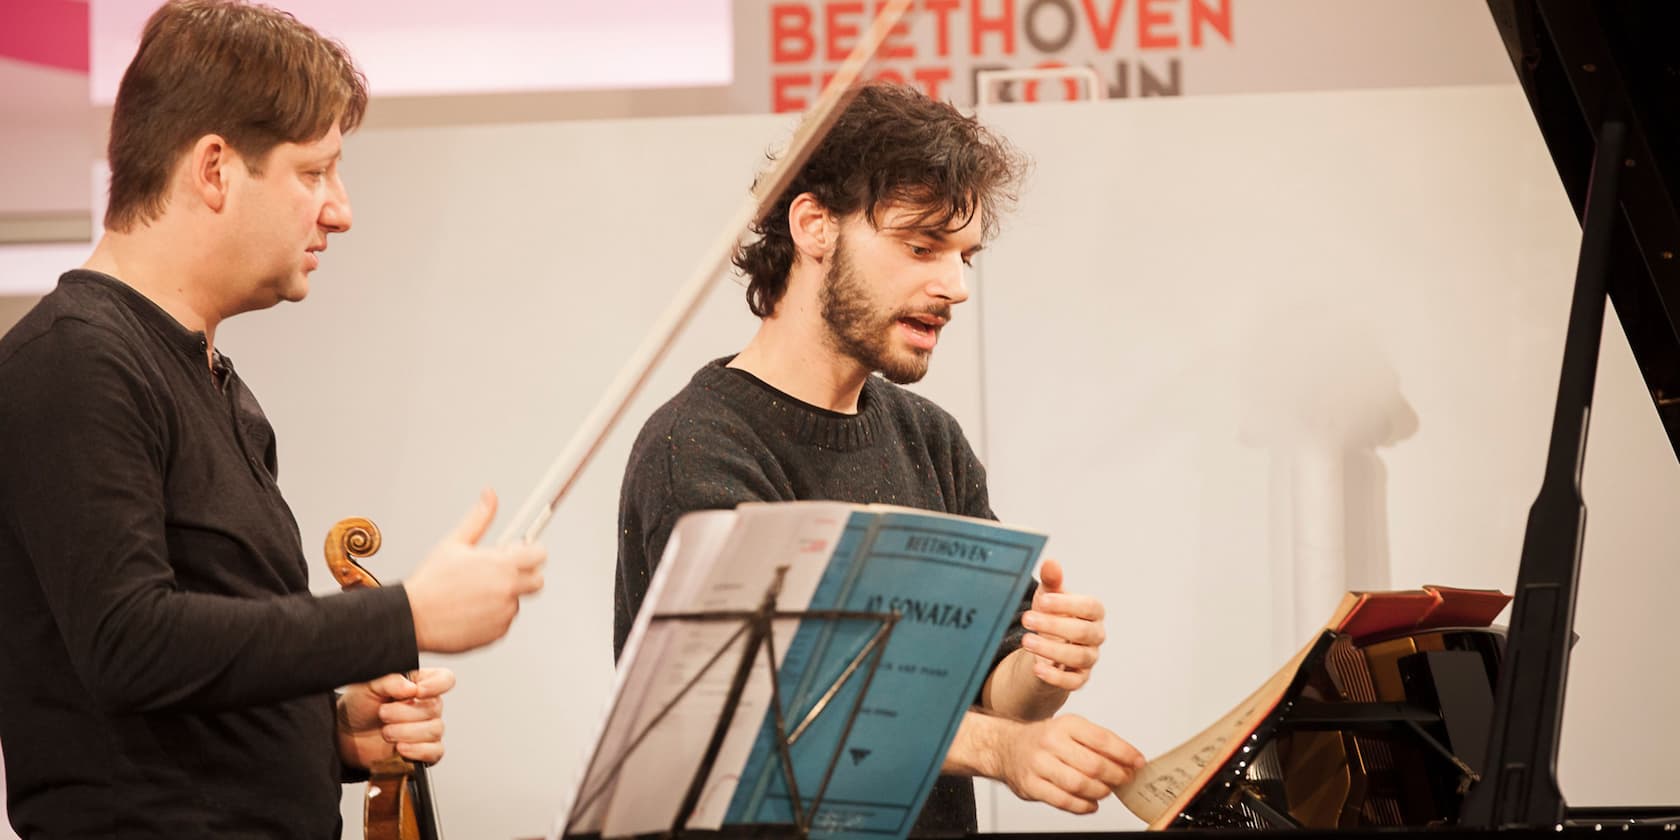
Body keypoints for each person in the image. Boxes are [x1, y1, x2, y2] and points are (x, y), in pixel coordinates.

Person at [0, 2, 545, 837]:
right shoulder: (76, 361)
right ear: (214, 169)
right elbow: (129, 641)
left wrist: (329, 734)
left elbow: (192, 687)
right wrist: (404, 617)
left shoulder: (214, 383)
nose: (340, 210)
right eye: (314, 172)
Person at [615, 82, 1144, 833]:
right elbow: (765, 706)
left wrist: (1044, 667)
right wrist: (1003, 751)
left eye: (965, 256)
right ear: (814, 226)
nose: (955, 287)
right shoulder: (700, 446)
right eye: (921, 246)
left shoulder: (932, 439)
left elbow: (996, 687)